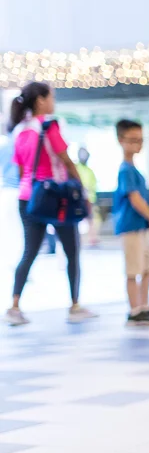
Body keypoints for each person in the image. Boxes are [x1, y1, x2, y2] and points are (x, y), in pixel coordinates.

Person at [6, 81, 96, 326]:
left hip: (29, 197)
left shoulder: (19, 130)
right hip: (57, 199)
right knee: (71, 251)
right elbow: (66, 160)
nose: (53, 101)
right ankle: (74, 305)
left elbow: (22, 168)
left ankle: (14, 306)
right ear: (41, 101)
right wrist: (83, 191)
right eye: (51, 97)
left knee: (30, 251)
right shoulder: (49, 126)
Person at [112, 120, 149, 326]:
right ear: (121, 140)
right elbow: (135, 199)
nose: (138, 145)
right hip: (130, 227)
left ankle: (144, 306)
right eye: (133, 140)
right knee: (133, 269)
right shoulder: (125, 170)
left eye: (140, 140)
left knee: (147, 266)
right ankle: (135, 310)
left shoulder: (133, 169)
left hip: (140, 227)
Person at [74, 147, 99, 246]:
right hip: (78, 198)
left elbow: (93, 185)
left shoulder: (89, 170)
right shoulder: (76, 168)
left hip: (89, 199)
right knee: (77, 220)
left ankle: (92, 239)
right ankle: (78, 240)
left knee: (91, 220)